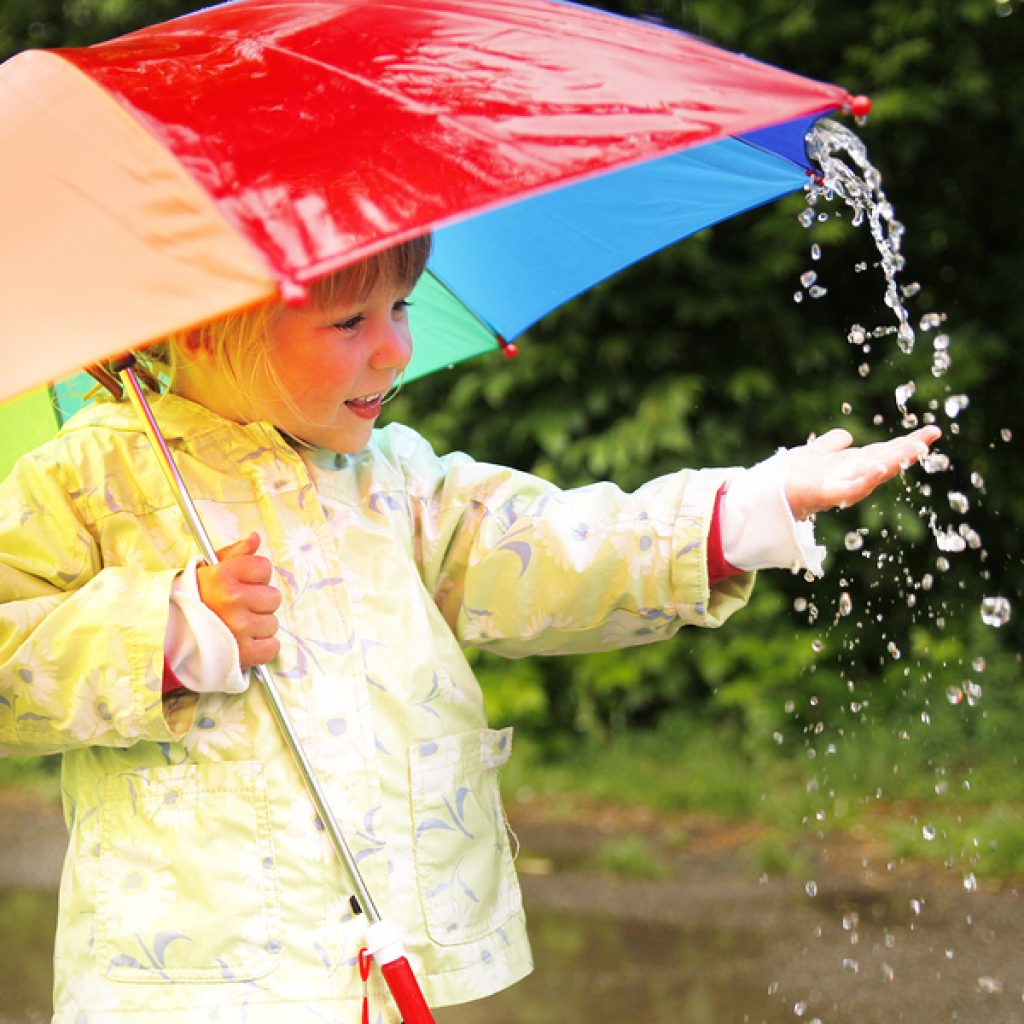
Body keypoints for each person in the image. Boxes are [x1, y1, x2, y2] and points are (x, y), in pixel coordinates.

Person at [0, 234, 939, 1024]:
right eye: (350, 321)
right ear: (210, 324)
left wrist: (747, 509)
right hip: (192, 979)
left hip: (378, 956)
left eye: (401, 307)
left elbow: (550, 546)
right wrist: (164, 632)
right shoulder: (87, 479)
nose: (396, 350)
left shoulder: (392, 478)